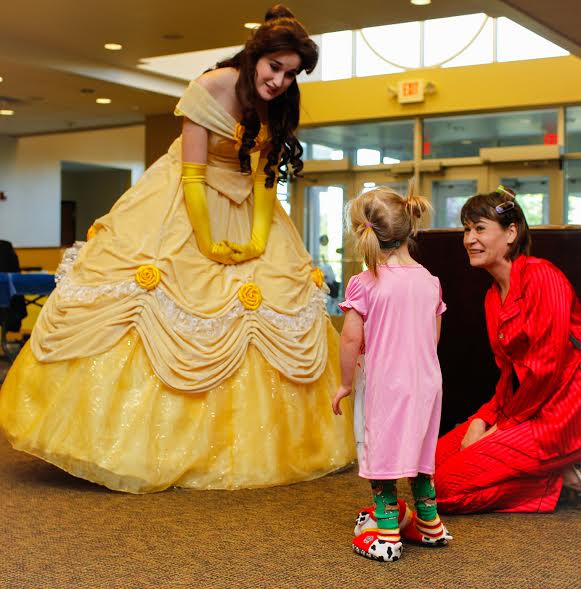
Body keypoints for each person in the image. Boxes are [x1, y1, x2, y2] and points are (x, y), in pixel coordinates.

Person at [0, 5, 355, 493]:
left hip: (249, 204)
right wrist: (206, 239)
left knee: (266, 309)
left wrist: (257, 238)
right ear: (255, 56)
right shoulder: (211, 86)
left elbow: (266, 175)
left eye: (291, 74)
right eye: (275, 67)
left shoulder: (278, 104)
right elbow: (192, 174)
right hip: (186, 200)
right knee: (155, 301)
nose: (280, 81)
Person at [434, 186, 581, 513]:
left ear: (511, 233)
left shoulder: (543, 277)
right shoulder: (493, 296)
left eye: (479, 228)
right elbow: (508, 375)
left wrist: (501, 428)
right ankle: (555, 474)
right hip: (524, 408)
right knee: (426, 472)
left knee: (442, 492)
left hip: (560, 417)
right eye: (466, 230)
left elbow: (546, 370)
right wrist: (482, 418)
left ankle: (555, 484)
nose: (469, 239)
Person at [332, 185, 451, 562]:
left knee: (382, 450)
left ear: (363, 233)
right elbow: (433, 336)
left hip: (386, 383)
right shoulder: (429, 280)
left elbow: (351, 339)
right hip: (426, 382)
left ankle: (386, 531)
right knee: (419, 450)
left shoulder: (364, 283)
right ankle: (429, 522)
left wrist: (344, 383)